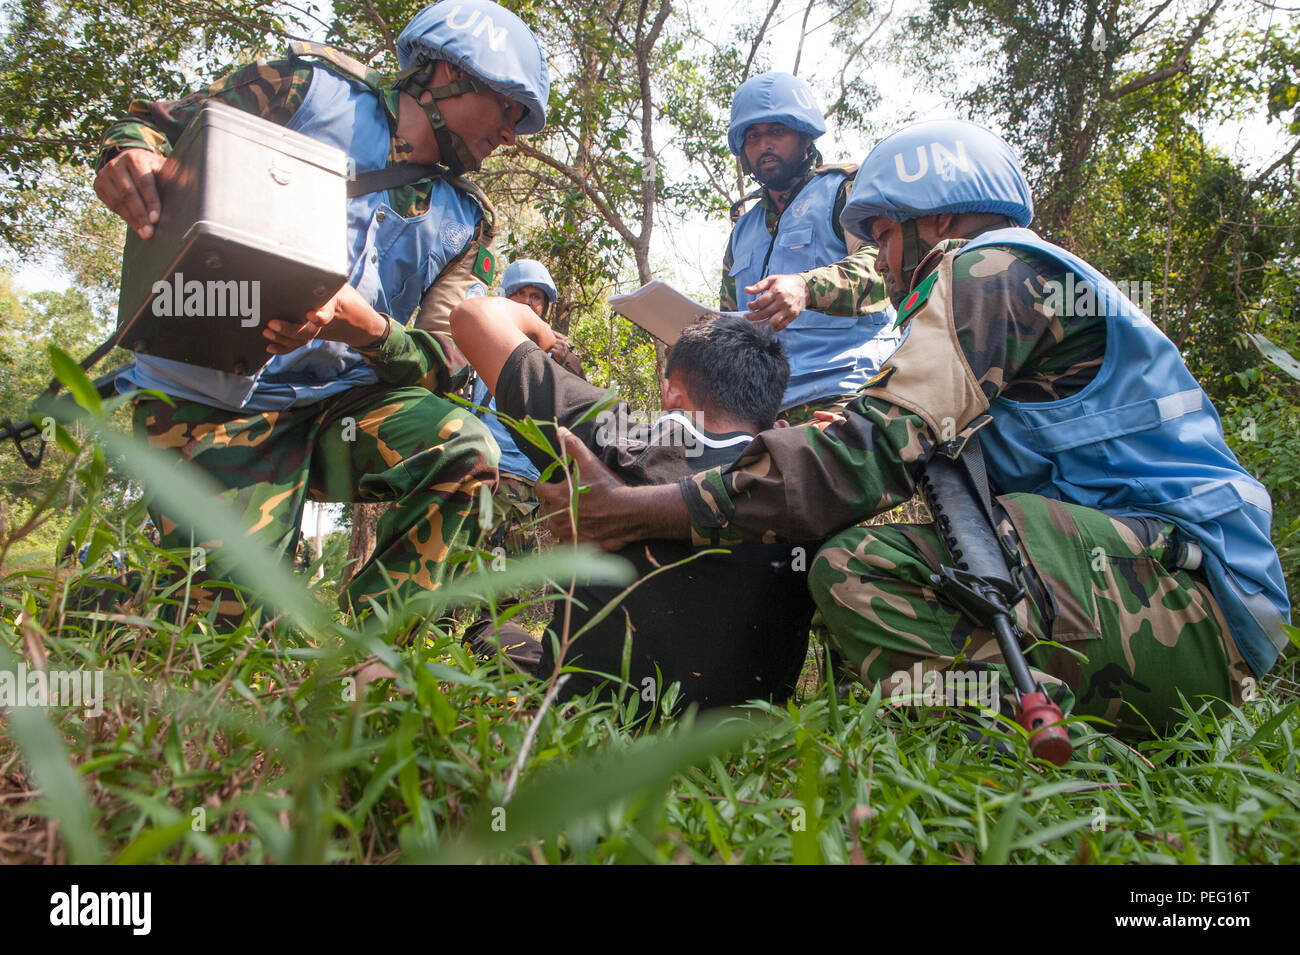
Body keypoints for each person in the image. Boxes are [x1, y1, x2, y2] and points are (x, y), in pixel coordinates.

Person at [536, 119, 1291, 736]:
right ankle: (1020, 719)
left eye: (882, 240)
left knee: (857, 566)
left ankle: (1002, 754)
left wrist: (646, 508)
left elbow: (864, 457)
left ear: (929, 223)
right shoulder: (1023, 281)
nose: (883, 267)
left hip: (1192, 604)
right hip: (1166, 593)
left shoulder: (989, 271)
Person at [92, 0, 550, 616]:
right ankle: (110, 610)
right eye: (507, 109)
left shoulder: (467, 220)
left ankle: (372, 664)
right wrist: (129, 158)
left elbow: (446, 363)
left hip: (339, 407)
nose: (509, 135)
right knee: (225, 633)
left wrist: (371, 331)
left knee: (466, 449)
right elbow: (160, 126)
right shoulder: (307, 89)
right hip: (208, 394)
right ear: (447, 72)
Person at [451, 297, 817, 711]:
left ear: (670, 393)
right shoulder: (806, 485)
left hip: (586, 715)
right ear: (772, 411)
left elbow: (472, 316)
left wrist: (542, 331)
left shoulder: (613, 439)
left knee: (492, 634)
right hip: (743, 727)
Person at [723, 71, 899, 422]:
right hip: (763, 410)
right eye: (753, 135)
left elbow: (885, 271)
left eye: (777, 131)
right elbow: (729, 318)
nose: (763, 144)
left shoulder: (845, 191)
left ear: (805, 136)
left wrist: (805, 287)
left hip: (849, 395)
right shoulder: (743, 228)